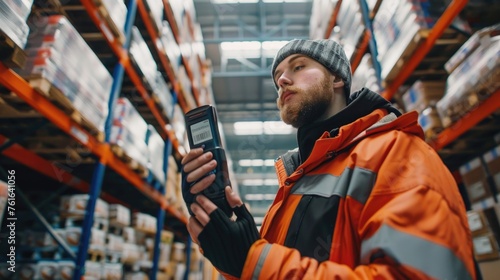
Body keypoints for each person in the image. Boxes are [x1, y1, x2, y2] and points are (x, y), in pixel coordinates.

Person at [181, 39, 477, 279]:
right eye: (277, 78)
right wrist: (231, 249)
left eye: (298, 67)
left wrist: (255, 261)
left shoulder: (397, 154)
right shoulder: (296, 181)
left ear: (337, 77)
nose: (283, 80)